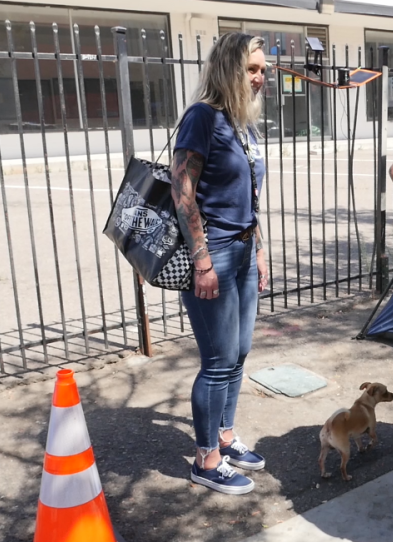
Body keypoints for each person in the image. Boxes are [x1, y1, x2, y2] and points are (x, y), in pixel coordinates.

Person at [170, 32, 269, 496]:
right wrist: (202, 259)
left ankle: (225, 438)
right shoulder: (203, 117)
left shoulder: (241, 122)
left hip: (245, 250)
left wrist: (260, 247)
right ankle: (205, 459)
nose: (260, 76)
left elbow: (248, 192)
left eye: (263, 69)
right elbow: (181, 188)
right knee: (217, 360)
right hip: (216, 254)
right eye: (252, 69)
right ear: (229, 69)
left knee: (241, 350)